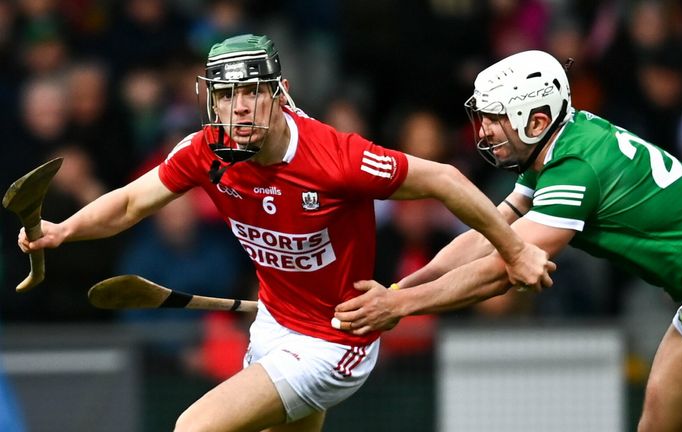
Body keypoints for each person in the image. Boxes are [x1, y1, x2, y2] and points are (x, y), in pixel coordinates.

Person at [16, 34, 553, 432]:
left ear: (279, 95)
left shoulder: (334, 159)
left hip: (336, 340)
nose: (239, 107)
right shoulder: (207, 150)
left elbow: (445, 178)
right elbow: (132, 202)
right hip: (274, 323)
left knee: (192, 428)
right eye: (226, 96)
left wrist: (515, 250)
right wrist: (64, 231)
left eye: (252, 92)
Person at [334, 50, 682, 431]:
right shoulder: (554, 143)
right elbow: (491, 233)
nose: (482, 131)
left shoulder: (574, 164)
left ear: (537, 120)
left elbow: (503, 267)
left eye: (495, 118)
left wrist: (400, 308)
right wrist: (398, 290)